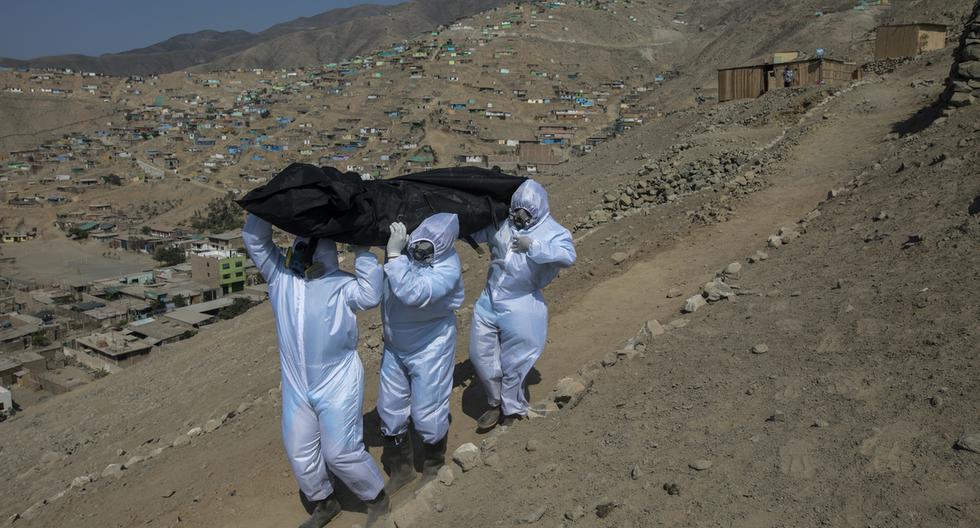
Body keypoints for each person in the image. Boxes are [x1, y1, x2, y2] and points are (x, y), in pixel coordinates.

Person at [242, 214, 389, 528]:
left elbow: (371, 295)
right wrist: (263, 207)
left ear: (324, 253)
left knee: (340, 452)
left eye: (309, 248)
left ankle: (377, 497)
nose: (301, 254)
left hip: (337, 381)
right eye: (299, 246)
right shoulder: (280, 278)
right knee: (299, 449)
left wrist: (363, 252)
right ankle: (325, 501)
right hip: (297, 384)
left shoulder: (341, 285)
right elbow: (255, 240)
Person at [468, 180, 576, 431]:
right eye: (516, 211)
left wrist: (534, 246)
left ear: (537, 210)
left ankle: (512, 408)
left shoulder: (553, 231)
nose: (519, 217)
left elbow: (568, 256)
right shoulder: (503, 223)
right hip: (489, 300)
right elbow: (476, 231)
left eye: (525, 213)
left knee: (516, 359)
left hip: (521, 302)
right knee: (480, 354)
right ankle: (495, 402)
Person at [377, 213, 464, 493]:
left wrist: (393, 255)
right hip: (396, 343)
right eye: (418, 243)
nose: (420, 251)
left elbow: (413, 293)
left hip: (430, 345)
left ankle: (433, 464)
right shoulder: (406, 252)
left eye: (428, 248)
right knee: (390, 408)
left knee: (427, 409)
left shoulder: (448, 268)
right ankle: (401, 469)